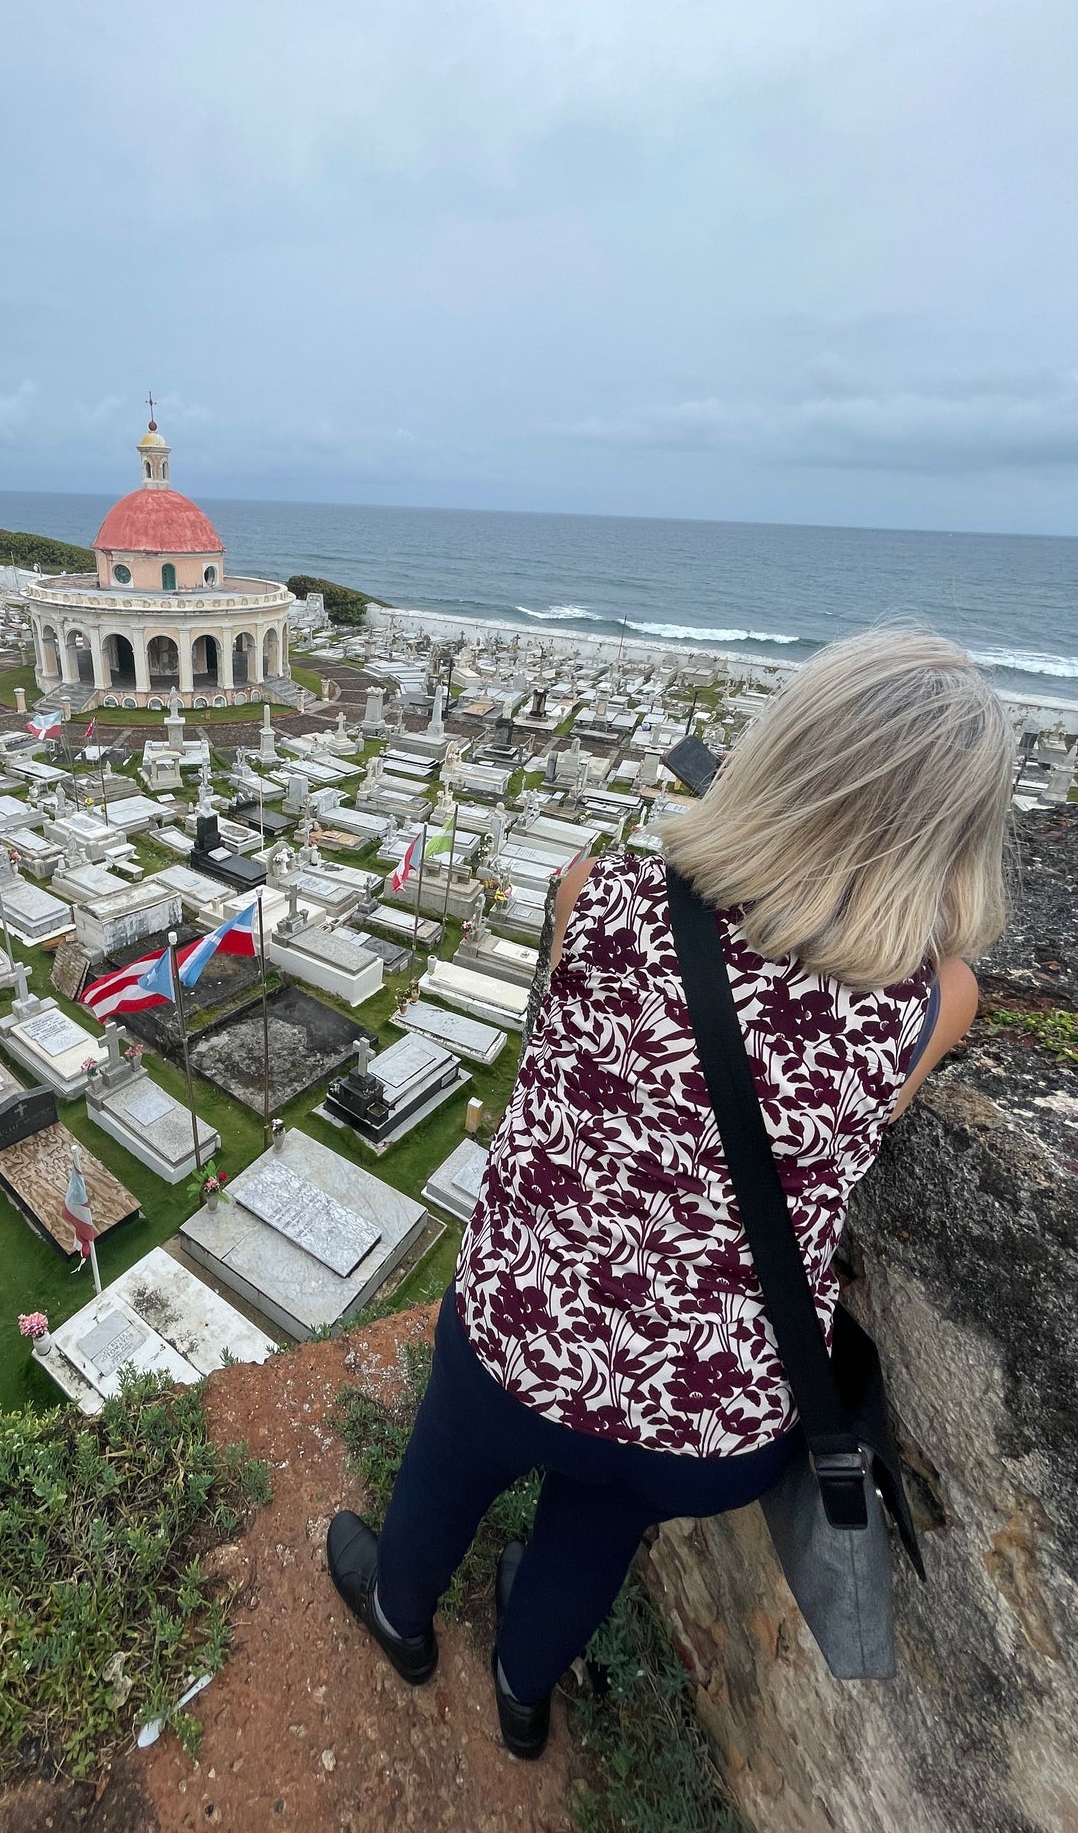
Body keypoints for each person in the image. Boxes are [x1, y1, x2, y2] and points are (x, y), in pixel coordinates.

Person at [327, 628, 1013, 1758]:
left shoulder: (594, 895)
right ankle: (516, 1694)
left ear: (773, 757)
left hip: (522, 1331)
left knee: (446, 1468)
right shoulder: (933, 1001)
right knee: (598, 1528)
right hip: (704, 1415)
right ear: (954, 842)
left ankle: (400, 1620)